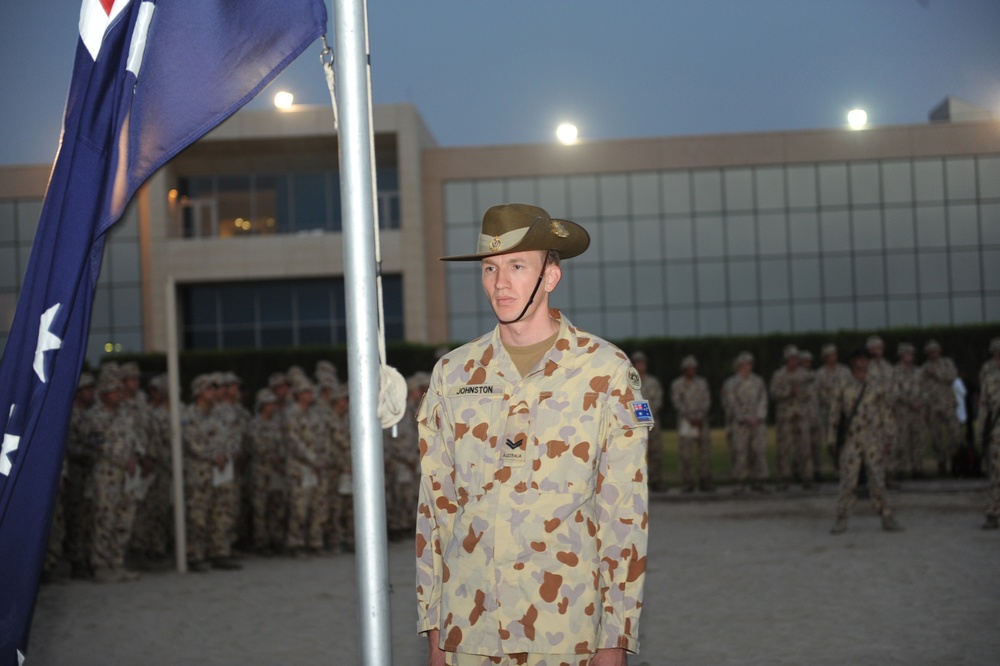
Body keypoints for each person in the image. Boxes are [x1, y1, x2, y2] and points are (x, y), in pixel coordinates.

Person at [417, 203, 650, 665]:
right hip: (470, 628)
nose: (500, 283)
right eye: (490, 268)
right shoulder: (454, 373)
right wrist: (435, 627)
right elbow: (434, 509)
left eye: (517, 266)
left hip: (566, 631)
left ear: (550, 276)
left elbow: (624, 515)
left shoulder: (604, 372)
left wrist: (615, 639)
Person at [828, 348, 903, 535]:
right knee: (848, 480)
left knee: (877, 478)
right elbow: (835, 413)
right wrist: (832, 440)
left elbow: (886, 413)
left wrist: (889, 438)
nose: (862, 362)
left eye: (865, 359)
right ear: (852, 362)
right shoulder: (843, 383)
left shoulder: (877, 384)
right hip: (851, 439)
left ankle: (887, 516)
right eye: (858, 359)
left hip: (873, 439)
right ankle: (841, 518)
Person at [723, 352, 770, 492]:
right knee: (740, 452)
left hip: (757, 423)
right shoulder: (731, 383)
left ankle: (759, 480)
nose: (747, 367)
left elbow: (763, 400)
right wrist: (745, 417)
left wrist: (759, 416)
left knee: (759, 451)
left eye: (749, 364)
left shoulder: (758, 381)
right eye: (743, 364)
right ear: (738, 366)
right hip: (740, 425)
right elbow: (731, 403)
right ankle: (739, 482)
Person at [770, 345, 814, 490]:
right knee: (783, 449)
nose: (793, 361)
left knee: (805, 448)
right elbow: (774, 393)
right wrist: (789, 391)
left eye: (795, 359)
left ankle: (807, 478)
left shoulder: (805, 375)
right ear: (786, 360)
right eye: (790, 359)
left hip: (801, 416)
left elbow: (810, 393)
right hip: (785, 417)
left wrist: (801, 392)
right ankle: (783, 479)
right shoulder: (779, 375)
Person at [670, 355, 713, 492]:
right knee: (686, 454)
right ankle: (688, 483)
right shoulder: (677, 384)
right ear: (684, 369)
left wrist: (700, 417)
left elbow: (707, 401)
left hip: (701, 422)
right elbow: (677, 402)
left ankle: (705, 482)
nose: (691, 371)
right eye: (688, 368)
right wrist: (689, 417)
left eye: (693, 368)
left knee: (704, 453)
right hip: (686, 422)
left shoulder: (702, 383)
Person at [921, 340, 961, 476]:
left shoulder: (947, 363)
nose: (934, 354)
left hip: (948, 404)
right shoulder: (924, 368)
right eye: (931, 352)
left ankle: (955, 461)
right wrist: (925, 409)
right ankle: (941, 463)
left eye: (936, 351)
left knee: (955, 434)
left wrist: (936, 373)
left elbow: (952, 377)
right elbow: (923, 389)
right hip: (933, 407)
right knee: (936, 437)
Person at [866, 336, 900, 489]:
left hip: (888, 411)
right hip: (873, 412)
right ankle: (875, 477)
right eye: (873, 348)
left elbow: (895, 385)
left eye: (878, 348)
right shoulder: (866, 367)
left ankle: (889, 475)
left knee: (890, 442)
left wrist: (894, 400)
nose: (876, 351)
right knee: (874, 444)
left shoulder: (888, 367)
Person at [631, 351, 665, 491]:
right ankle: (637, 484)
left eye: (642, 362)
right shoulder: (628, 381)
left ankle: (656, 482)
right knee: (636, 454)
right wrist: (640, 417)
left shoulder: (653, 382)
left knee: (655, 452)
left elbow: (658, 400)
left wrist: (647, 416)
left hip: (652, 424)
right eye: (637, 362)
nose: (640, 366)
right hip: (634, 424)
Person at [891, 343, 926, 479]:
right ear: (901, 355)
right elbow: (895, 391)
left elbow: (924, 389)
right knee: (901, 441)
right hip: (903, 412)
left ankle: (918, 468)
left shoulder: (918, 372)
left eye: (911, 354)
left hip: (917, 412)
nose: (910, 356)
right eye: (907, 354)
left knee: (918, 440)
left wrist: (920, 401)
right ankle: (900, 469)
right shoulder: (895, 372)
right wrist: (910, 402)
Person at [815, 344, 851, 471]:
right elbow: (819, 393)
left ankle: (847, 466)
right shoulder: (820, 374)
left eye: (834, 354)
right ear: (825, 357)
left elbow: (850, 388)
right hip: (828, 414)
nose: (833, 357)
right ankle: (837, 465)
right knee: (831, 442)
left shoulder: (845, 371)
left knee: (846, 440)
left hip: (844, 412)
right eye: (830, 355)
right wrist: (832, 403)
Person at [978, 349, 1000, 529]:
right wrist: (981, 437)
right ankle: (993, 513)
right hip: (997, 435)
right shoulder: (990, 380)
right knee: (997, 475)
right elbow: (984, 411)